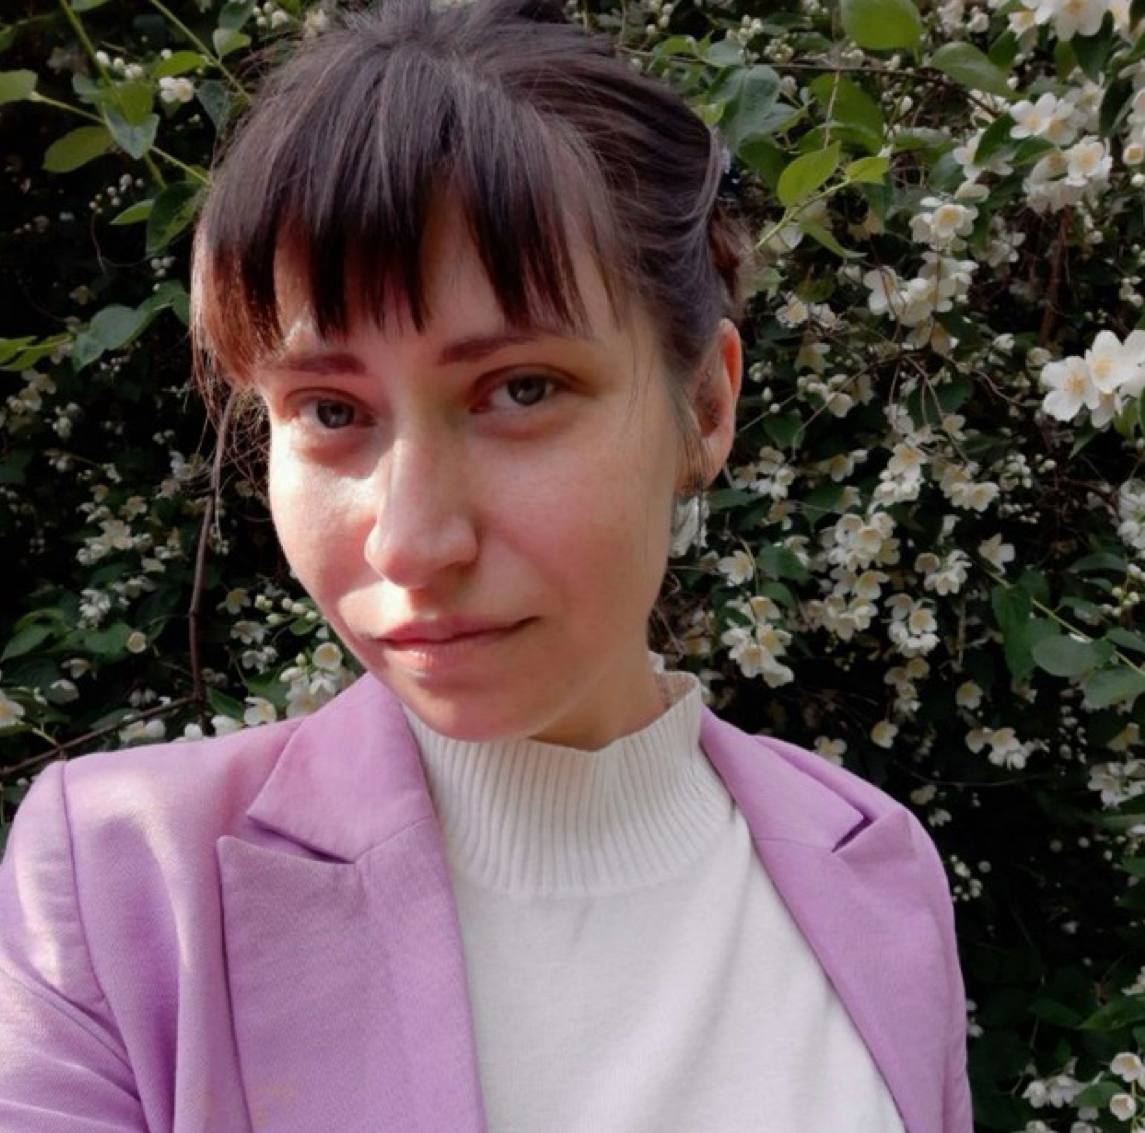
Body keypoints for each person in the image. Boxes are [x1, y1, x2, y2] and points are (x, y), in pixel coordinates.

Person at [0, 0, 973, 1128]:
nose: (410, 542)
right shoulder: (124, 890)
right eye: (328, 409)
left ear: (704, 405)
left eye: (520, 390)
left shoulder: (878, 865)